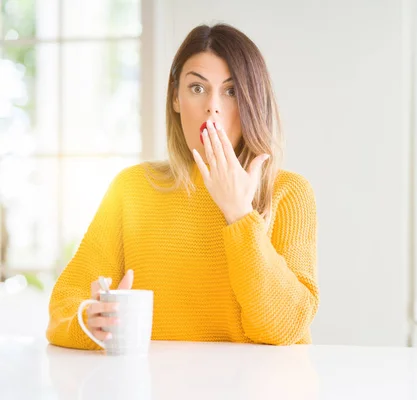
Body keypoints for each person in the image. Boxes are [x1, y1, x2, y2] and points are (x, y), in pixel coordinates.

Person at [46, 23, 319, 348]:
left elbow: (285, 328)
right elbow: (64, 307)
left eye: (231, 91)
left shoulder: (289, 193)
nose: (212, 107)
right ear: (176, 97)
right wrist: (90, 319)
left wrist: (240, 215)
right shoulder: (132, 189)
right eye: (197, 88)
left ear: (252, 102)